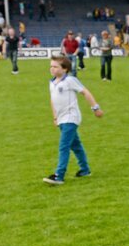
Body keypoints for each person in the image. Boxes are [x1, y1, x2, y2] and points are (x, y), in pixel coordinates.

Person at [44, 56, 103, 185]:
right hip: (61, 119)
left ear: (65, 69)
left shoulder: (70, 80)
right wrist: (55, 117)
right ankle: (85, 170)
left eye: (55, 67)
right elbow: (52, 100)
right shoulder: (52, 82)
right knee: (75, 145)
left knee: (63, 146)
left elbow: (85, 92)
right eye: (51, 66)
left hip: (71, 118)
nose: (52, 69)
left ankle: (59, 175)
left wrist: (95, 108)